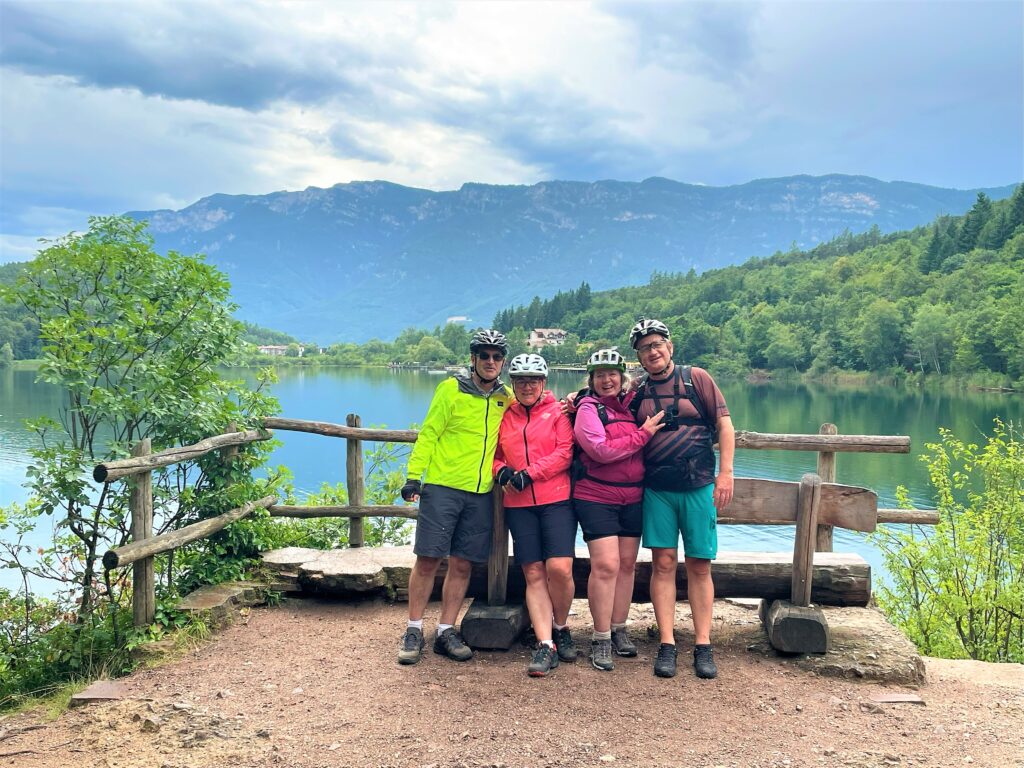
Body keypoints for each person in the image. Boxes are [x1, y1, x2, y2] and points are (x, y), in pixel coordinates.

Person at [397, 329, 513, 665]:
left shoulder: (506, 397)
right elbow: (429, 433)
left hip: (480, 493)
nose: (490, 362)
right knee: (429, 559)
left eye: (496, 356)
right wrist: (414, 476)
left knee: (462, 563)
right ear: (474, 359)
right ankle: (414, 628)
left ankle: (446, 629)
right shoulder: (451, 389)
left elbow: (534, 405)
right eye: (484, 355)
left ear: (502, 362)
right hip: (443, 488)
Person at [628, 318, 735, 680]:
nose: (653, 351)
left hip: (700, 485)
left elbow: (725, 426)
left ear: (670, 347)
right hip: (657, 489)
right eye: (645, 348)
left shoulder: (697, 379)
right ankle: (668, 643)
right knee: (662, 564)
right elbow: (607, 412)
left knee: (700, 565)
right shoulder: (637, 391)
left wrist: (726, 473)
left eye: (658, 344)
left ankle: (703, 644)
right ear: (639, 357)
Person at [572, 348, 665, 672]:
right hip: (596, 496)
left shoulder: (629, 405)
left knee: (627, 565)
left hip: (633, 497)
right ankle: (599, 638)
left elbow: (652, 377)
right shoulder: (587, 408)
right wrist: (642, 435)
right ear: (592, 381)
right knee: (607, 566)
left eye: (612, 374)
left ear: (622, 378)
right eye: (600, 375)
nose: (606, 380)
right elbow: (599, 450)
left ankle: (618, 628)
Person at [493, 353, 576, 677]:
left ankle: (561, 625)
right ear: (513, 384)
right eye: (521, 380)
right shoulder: (506, 415)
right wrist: (500, 472)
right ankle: (545, 644)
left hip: (556, 498)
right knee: (533, 573)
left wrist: (530, 473)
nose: (527, 386)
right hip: (518, 504)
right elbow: (494, 454)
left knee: (560, 568)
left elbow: (565, 452)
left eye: (533, 380)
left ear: (544, 383)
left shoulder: (558, 412)